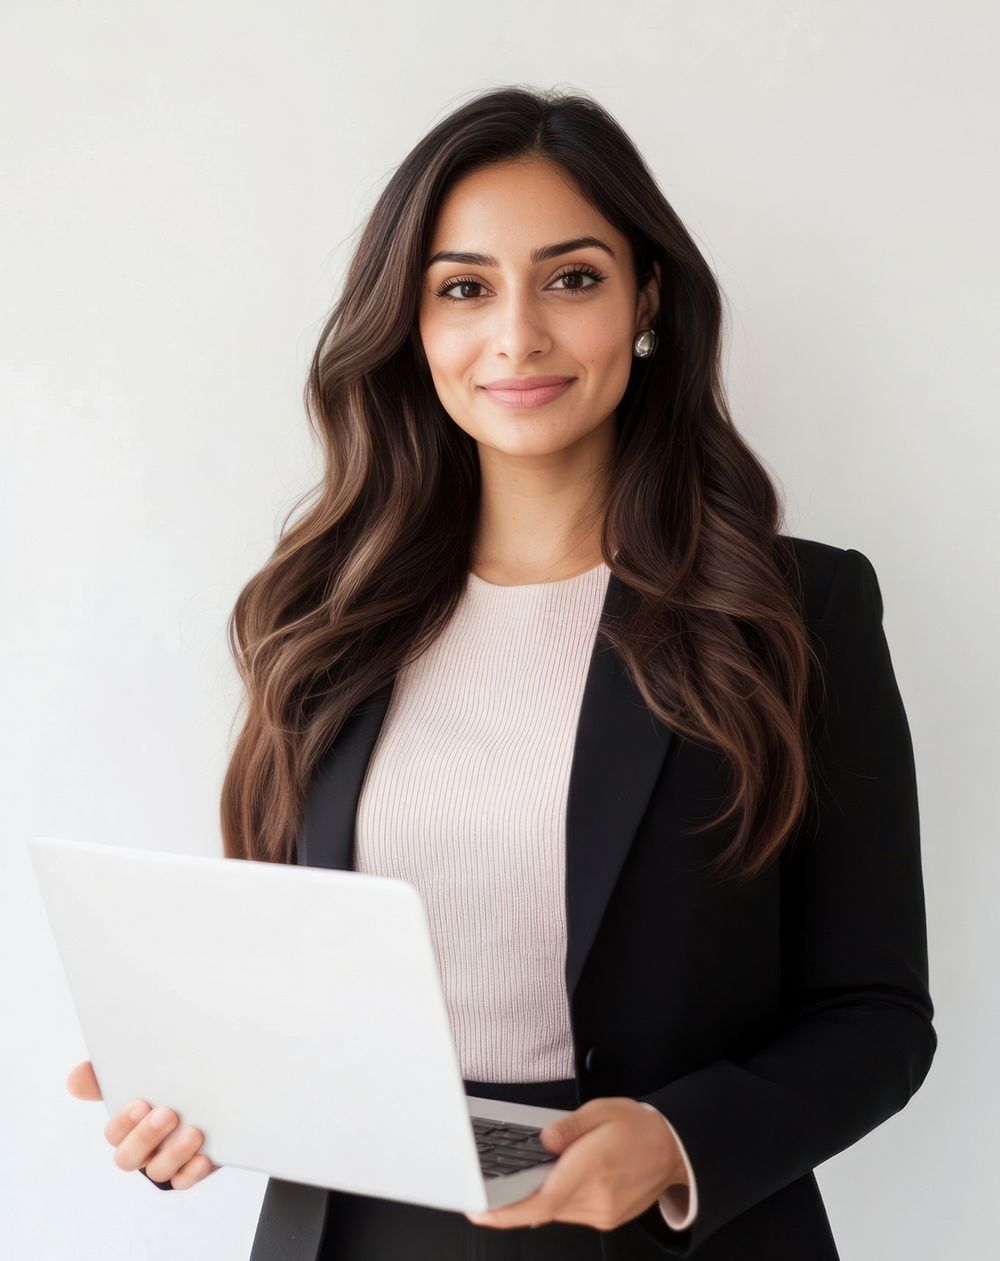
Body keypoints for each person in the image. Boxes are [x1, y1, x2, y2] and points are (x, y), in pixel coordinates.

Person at [66, 84, 936, 1260]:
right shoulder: (324, 617)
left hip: (663, 1238)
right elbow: (291, 977)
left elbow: (875, 1017)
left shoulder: (795, 611)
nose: (516, 335)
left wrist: (679, 1143)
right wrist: (194, 1092)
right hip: (357, 1235)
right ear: (411, 325)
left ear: (647, 301)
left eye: (571, 278)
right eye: (463, 288)